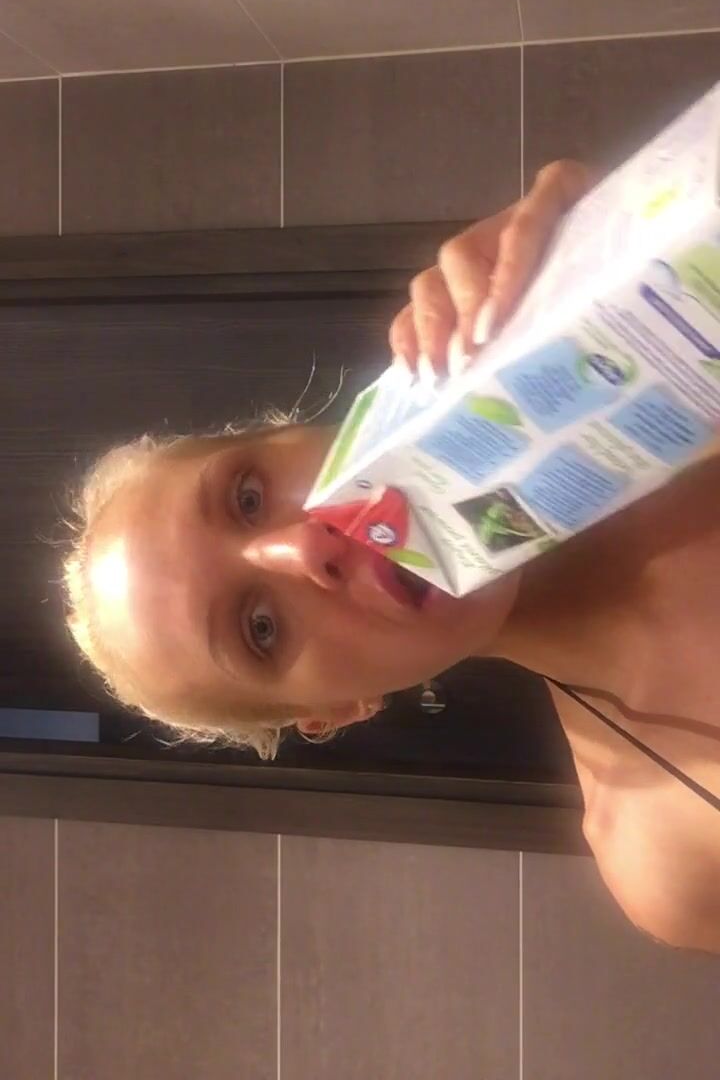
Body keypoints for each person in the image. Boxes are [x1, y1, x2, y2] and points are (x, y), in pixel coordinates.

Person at [63, 161, 720, 955]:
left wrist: (646, 215)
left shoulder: (639, 323)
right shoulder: (667, 854)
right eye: (260, 628)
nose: (304, 547)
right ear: (339, 709)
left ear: (304, 433)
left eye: (248, 496)